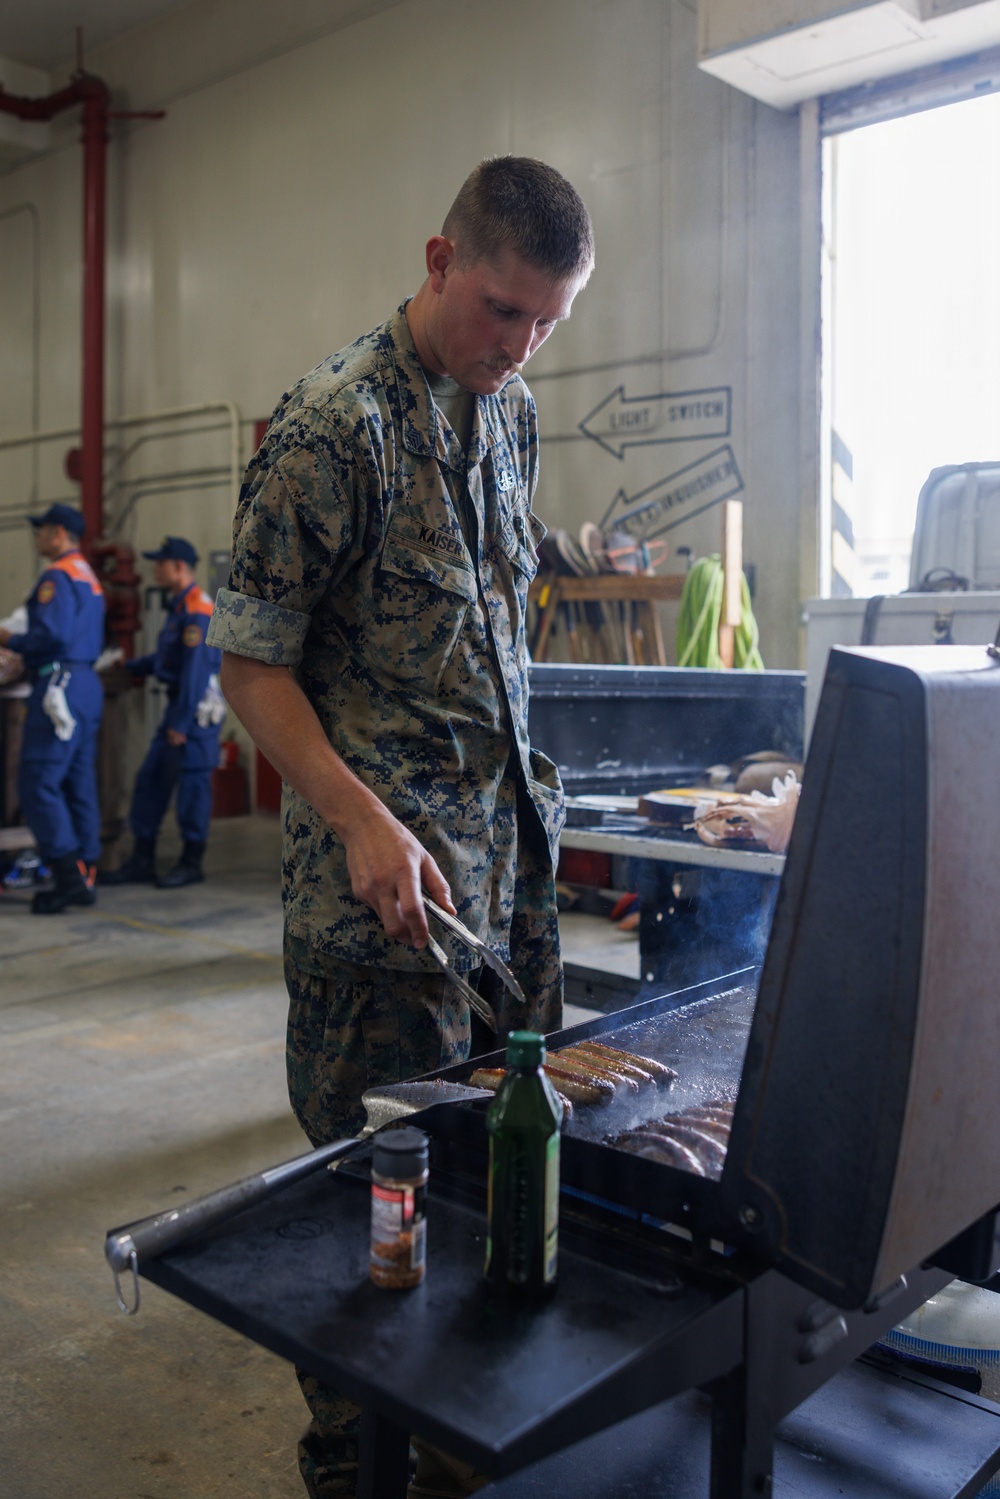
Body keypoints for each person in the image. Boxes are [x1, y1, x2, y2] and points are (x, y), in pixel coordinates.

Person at [208, 156, 594, 1499]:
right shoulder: (334, 429)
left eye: (548, 321)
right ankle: (351, 1464)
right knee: (369, 1213)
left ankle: (457, 1444)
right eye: (503, 310)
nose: (520, 344)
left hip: (505, 887)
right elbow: (249, 663)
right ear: (439, 262)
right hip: (382, 910)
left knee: (494, 1185)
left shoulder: (512, 412)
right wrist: (361, 817)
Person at [0, 503, 105, 915]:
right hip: (85, 684)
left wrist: (9, 639)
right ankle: (85, 870)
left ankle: (67, 878)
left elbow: (51, 635)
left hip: (58, 685)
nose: (37, 538)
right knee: (78, 780)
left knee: (37, 782)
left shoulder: (57, 575)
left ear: (58, 533)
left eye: (41, 530)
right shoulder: (87, 576)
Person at [103, 537, 224, 888]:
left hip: (194, 712)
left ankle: (191, 862)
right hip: (178, 707)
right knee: (151, 780)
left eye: (160, 563)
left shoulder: (198, 610)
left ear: (178, 567)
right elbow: (167, 659)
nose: (155, 569)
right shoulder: (180, 606)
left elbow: (195, 673)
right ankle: (142, 860)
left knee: (192, 787)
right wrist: (131, 666)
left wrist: (181, 723)